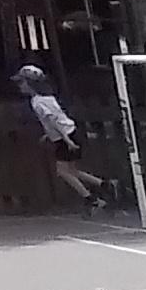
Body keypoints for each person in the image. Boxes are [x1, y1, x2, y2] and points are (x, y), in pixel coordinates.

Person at [14, 66, 111, 213]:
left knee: (63, 172)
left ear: (31, 83)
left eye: (22, 82)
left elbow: (53, 120)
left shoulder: (38, 102)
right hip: (70, 132)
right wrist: (50, 134)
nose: (20, 86)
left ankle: (91, 199)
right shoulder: (48, 98)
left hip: (65, 137)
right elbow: (57, 119)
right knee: (71, 170)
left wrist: (66, 140)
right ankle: (105, 185)